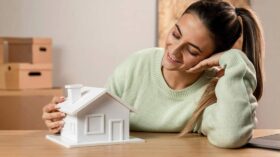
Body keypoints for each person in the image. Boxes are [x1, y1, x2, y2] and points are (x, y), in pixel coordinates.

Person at [42, 0, 264, 148]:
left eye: (192, 50)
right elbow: (98, 115)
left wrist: (234, 59)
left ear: (213, 57)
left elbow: (231, 136)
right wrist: (63, 119)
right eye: (176, 34)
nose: (174, 51)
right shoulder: (137, 65)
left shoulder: (218, 89)